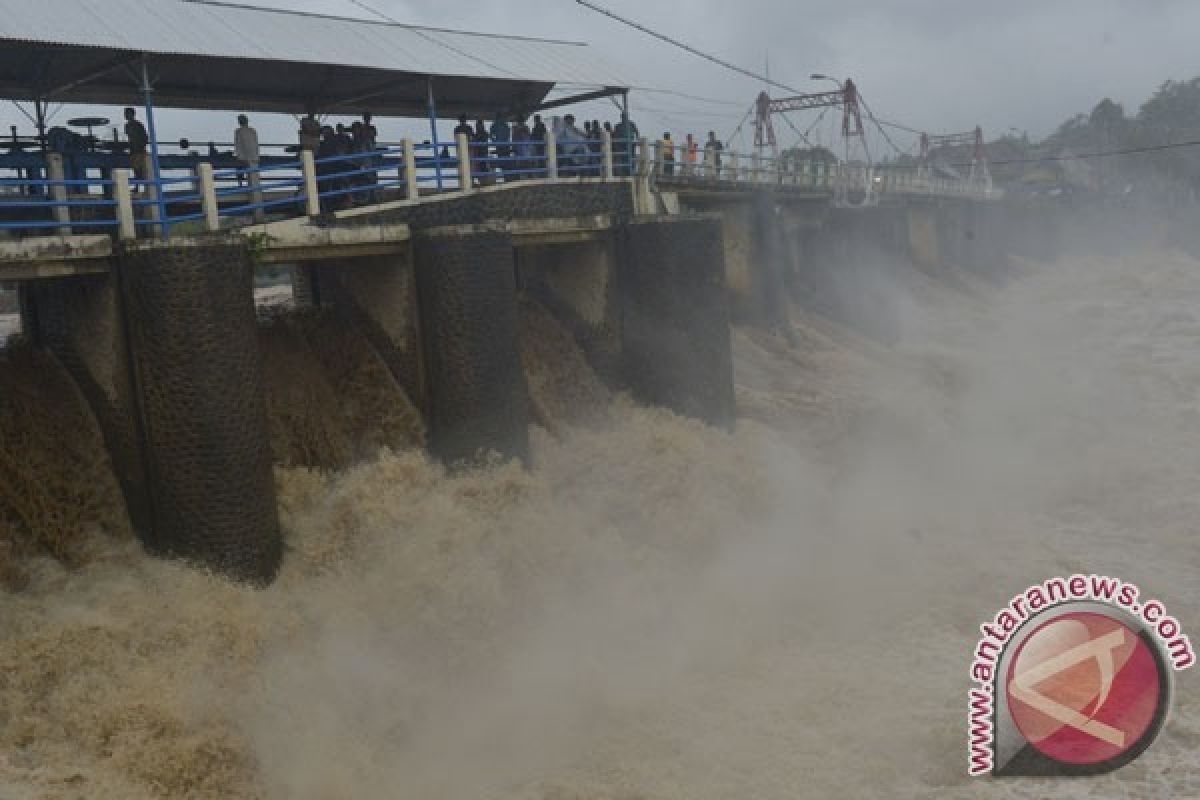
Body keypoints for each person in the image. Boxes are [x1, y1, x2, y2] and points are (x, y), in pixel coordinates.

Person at [234, 115, 261, 218]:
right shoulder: (253, 131)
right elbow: (256, 144)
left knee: (242, 173)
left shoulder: (238, 131)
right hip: (253, 157)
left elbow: (238, 145)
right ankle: (254, 194)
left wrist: (240, 156)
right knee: (253, 177)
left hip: (244, 158)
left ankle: (241, 187)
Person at [123, 107, 150, 184]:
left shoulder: (138, 125)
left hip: (139, 151)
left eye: (127, 113)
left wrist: (140, 147)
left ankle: (140, 186)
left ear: (132, 114)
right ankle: (137, 186)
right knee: (135, 170)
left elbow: (145, 138)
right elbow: (129, 138)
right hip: (132, 150)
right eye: (125, 114)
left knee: (140, 170)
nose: (125, 115)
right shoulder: (127, 126)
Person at [490, 115, 512, 180]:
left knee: (504, 162)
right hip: (504, 145)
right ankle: (507, 178)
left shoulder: (497, 125)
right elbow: (508, 135)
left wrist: (495, 141)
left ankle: (506, 177)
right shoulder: (504, 125)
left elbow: (491, 135)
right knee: (505, 162)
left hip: (501, 145)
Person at [473, 118, 491, 185]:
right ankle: (482, 182)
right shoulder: (476, 135)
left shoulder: (484, 134)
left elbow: (489, 137)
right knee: (479, 168)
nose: (478, 127)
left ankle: (485, 182)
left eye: (479, 125)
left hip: (484, 154)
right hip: (478, 154)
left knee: (484, 168)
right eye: (478, 125)